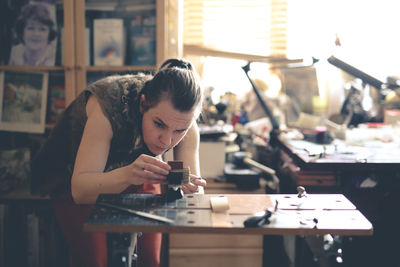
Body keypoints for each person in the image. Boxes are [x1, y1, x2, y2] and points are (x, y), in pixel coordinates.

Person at [31, 58, 207, 267]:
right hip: (72, 178)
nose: (167, 140)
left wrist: (192, 189)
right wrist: (126, 174)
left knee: (149, 260)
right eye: (159, 124)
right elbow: (80, 191)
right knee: (96, 261)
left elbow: (192, 196)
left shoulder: (182, 120)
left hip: (136, 173)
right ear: (143, 104)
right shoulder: (108, 104)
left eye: (179, 131)